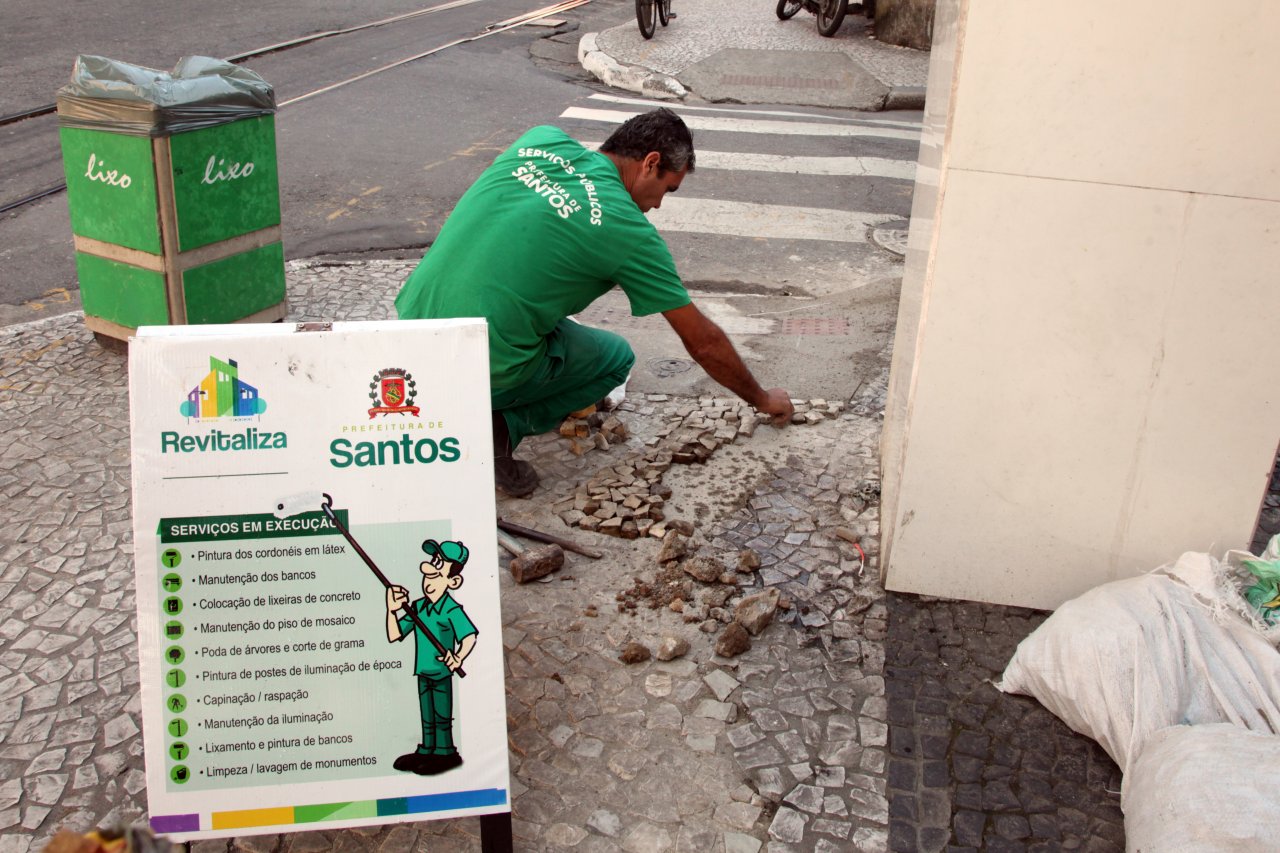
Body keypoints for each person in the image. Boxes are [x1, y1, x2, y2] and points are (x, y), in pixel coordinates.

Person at [396, 108, 794, 497]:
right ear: (650, 163)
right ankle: (502, 423)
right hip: (477, 364)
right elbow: (702, 341)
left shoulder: (539, 141)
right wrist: (762, 398)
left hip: (406, 330)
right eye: (667, 189)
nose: (657, 205)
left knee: (535, 305)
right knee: (615, 358)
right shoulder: (627, 229)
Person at [385, 538, 477, 775]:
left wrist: (458, 657)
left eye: (436, 575)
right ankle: (427, 750)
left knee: (441, 716)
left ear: (453, 581)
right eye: (428, 575)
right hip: (423, 671)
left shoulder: (450, 609)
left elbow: (469, 636)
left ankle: (445, 752)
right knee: (427, 714)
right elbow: (394, 635)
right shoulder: (417, 607)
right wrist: (392, 610)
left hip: (441, 672)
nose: (429, 581)